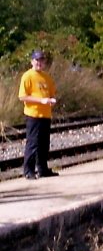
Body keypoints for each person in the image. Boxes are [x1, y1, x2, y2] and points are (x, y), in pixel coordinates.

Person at [18, 49, 59, 179]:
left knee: (44, 144)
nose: (39, 63)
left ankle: (43, 169)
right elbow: (22, 97)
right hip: (33, 114)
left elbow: (52, 93)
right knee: (33, 143)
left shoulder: (47, 77)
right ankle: (28, 170)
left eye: (41, 60)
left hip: (46, 115)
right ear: (32, 61)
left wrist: (51, 100)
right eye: (37, 60)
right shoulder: (28, 76)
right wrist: (40, 100)